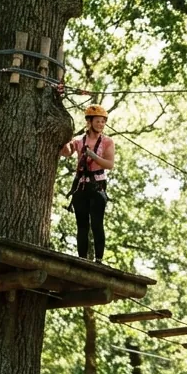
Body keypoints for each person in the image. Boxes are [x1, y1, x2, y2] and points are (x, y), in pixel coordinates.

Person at [61, 105, 115, 261]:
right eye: (98, 121)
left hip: (97, 186)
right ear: (89, 122)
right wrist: (65, 141)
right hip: (81, 186)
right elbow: (65, 153)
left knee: (97, 224)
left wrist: (93, 156)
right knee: (82, 225)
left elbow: (109, 164)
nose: (101, 125)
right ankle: (82, 258)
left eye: (103, 122)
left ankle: (98, 259)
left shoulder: (107, 142)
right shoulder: (79, 141)